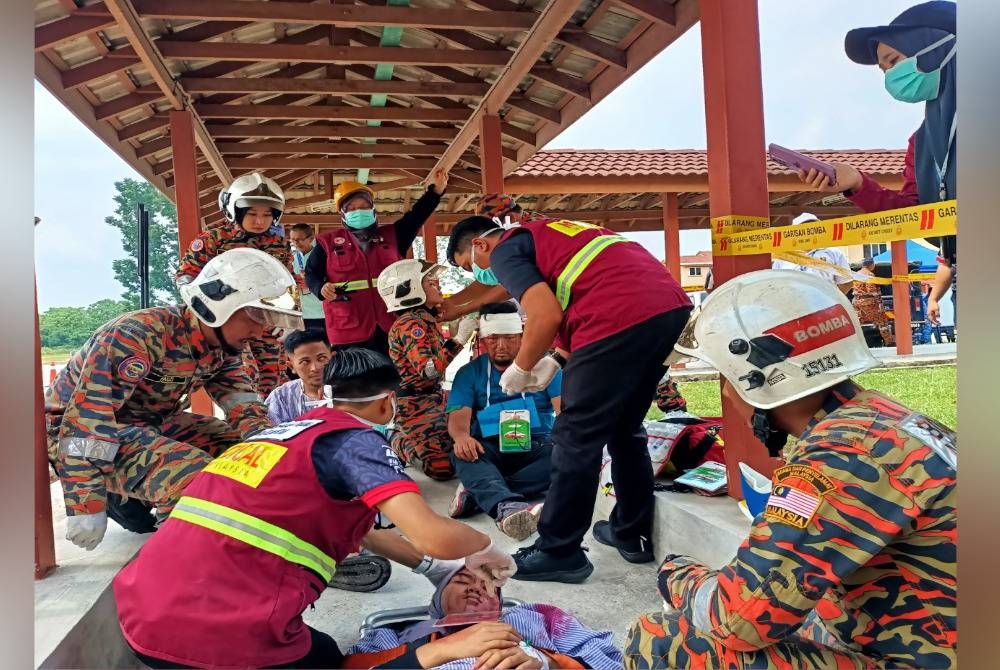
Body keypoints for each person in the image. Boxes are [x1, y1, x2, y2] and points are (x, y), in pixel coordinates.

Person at [624, 270, 955, 669]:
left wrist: (677, 574)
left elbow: (738, 619)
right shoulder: (884, 418)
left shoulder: (837, 457)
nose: (726, 391)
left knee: (659, 640)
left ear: (755, 378)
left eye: (725, 376)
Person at [113, 348, 517, 670]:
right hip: (213, 634)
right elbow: (434, 536)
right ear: (388, 402)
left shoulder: (284, 435)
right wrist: (484, 546)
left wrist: (434, 569)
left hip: (144, 614)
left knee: (320, 649)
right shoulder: (355, 442)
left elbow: (361, 531)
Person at [446, 215, 692, 583]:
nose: (481, 275)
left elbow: (545, 314)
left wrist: (523, 366)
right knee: (625, 428)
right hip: (668, 310)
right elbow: (580, 298)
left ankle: (559, 552)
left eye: (471, 266)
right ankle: (631, 532)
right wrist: (558, 359)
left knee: (574, 436)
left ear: (480, 244)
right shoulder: (553, 235)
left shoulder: (505, 249)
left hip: (617, 316)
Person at [45, 248, 302, 550]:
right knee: (190, 474)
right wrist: (84, 500)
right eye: (255, 317)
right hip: (77, 434)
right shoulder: (138, 335)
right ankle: (180, 560)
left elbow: (241, 402)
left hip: (154, 423)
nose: (260, 331)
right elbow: (89, 417)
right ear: (219, 305)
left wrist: (270, 448)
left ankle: (243, 531)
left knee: (247, 454)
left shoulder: (223, 347)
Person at [798, 1, 957, 324]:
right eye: (885, 71)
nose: (891, 76)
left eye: (894, 61)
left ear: (935, 47)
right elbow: (913, 216)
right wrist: (858, 184)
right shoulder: (922, 142)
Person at [342, 565, 624, 670]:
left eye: (489, 586)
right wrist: (435, 650)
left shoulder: (537, 617)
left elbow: (608, 659)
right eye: (462, 580)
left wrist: (550, 662)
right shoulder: (394, 635)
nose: (477, 588)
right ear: (437, 599)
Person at [446, 303, 561, 541]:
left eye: (509, 338)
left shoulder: (547, 367)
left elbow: (565, 410)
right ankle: (505, 507)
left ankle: (481, 492)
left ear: (522, 336)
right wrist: (462, 437)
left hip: (538, 445)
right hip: (489, 446)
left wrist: (566, 440)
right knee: (462, 453)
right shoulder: (469, 372)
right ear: (482, 339)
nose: (501, 345)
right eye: (493, 338)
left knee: (566, 455)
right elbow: (458, 417)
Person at [176, 172, 294, 398]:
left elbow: (288, 281)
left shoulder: (280, 244)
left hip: (267, 322)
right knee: (244, 375)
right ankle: (246, 415)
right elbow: (186, 275)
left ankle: (269, 418)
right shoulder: (213, 239)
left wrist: (288, 318)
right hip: (230, 323)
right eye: (252, 214)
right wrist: (203, 309)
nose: (260, 221)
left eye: (267, 215)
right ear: (235, 210)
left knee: (273, 379)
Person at [304, 170, 448, 353]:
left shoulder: (394, 235)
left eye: (364, 206)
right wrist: (320, 287)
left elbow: (416, 216)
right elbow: (311, 273)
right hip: (348, 327)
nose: (358, 212)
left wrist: (435, 193)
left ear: (373, 209)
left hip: (392, 323)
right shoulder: (327, 243)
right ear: (342, 214)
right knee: (354, 371)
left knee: (395, 370)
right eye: (351, 208)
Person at [378, 259, 478, 480]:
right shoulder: (410, 324)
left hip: (435, 398)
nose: (438, 285)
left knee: (471, 443)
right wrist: (459, 339)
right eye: (430, 283)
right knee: (441, 468)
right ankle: (396, 438)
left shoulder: (425, 320)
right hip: (414, 405)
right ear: (411, 290)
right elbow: (428, 371)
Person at [437, 194, 541, 322]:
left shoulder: (524, 239)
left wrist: (462, 310)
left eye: (493, 227)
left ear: (511, 218)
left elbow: (509, 286)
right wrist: (451, 302)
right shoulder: (531, 232)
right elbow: (494, 280)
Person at [771, 213, 853, 294]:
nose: (808, 232)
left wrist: (833, 299)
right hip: (793, 301)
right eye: (803, 229)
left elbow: (846, 283)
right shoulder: (784, 256)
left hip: (823, 302)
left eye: (813, 228)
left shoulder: (833, 252)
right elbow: (776, 283)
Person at [265, 329, 333, 424]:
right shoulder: (280, 397)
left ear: (333, 357)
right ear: (291, 367)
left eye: (321, 358)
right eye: (305, 362)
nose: (315, 368)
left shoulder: (350, 391)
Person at [289, 223, 327, 333]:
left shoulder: (323, 256)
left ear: (311, 238)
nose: (296, 243)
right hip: (302, 314)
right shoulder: (292, 258)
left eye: (300, 239)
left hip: (323, 312)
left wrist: (312, 283)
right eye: (293, 240)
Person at [852, 258, 896, 346]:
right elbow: (871, 290)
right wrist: (879, 301)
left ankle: (852, 342)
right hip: (868, 302)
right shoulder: (869, 274)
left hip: (856, 301)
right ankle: (889, 341)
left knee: (857, 323)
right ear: (871, 265)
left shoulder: (856, 274)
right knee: (881, 321)